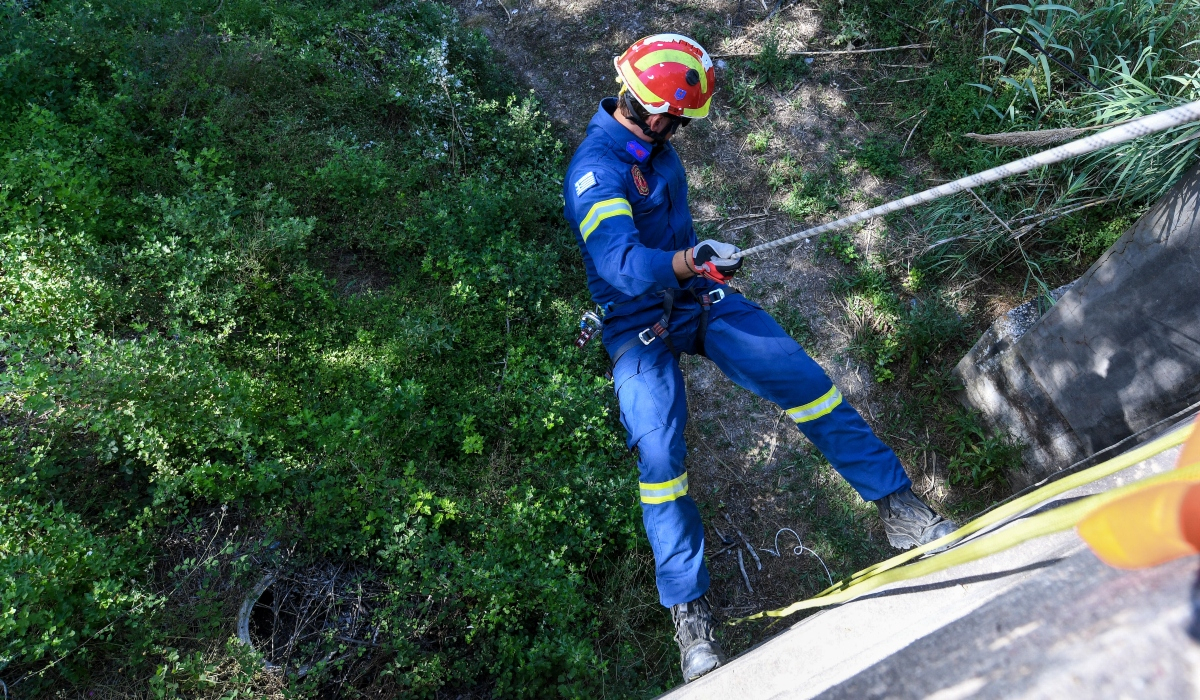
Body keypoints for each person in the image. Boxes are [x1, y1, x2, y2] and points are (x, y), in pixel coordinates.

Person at [562, 34, 957, 683]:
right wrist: (689, 260)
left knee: (801, 378)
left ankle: (899, 510)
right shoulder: (596, 170)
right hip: (636, 318)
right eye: (679, 117)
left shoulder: (656, 153)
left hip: (693, 294)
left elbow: (672, 241)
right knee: (660, 458)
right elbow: (622, 265)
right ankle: (690, 613)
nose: (683, 128)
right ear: (653, 108)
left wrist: (700, 261)